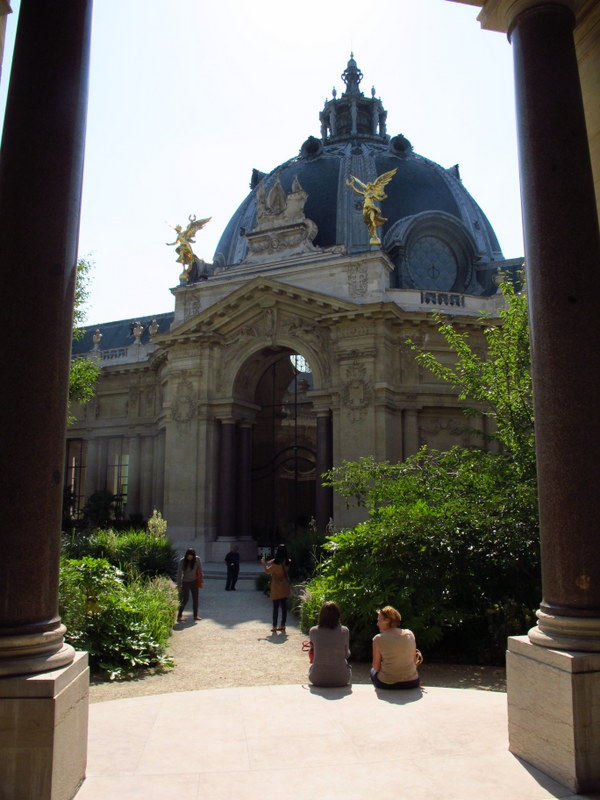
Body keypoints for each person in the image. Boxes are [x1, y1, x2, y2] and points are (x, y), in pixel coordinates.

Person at [370, 605, 420, 690]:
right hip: (412, 682)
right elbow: (414, 660)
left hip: (388, 684)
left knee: (372, 671)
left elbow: (376, 667)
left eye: (379, 621)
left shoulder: (378, 639)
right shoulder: (410, 634)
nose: (377, 624)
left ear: (387, 621)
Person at [308, 601, 351, 687]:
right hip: (341, 679)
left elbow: (312, 652)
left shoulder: (313, 631)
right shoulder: (344, 631)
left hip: (317, 678)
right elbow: (346, 655)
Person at [261, 544, 291, 632]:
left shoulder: (275, 564)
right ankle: (283, 625)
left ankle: (274, 626)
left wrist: (264, 564)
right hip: (284, 585)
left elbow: (267, 571)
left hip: (276, 586)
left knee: (275, 607)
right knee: (284, 607)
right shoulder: (287, 562)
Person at [176, 548, 203, 622]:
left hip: (194, 581)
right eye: (189, 556)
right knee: (185, 599)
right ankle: (179, 615)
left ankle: (195, 615)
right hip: (186, 582)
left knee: (196, 599)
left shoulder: (197, 560)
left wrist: (201, 581)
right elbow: (179, 573)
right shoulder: (182, 561)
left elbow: (200, 570)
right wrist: (179, 584)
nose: (190, 557)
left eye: (191, 556)